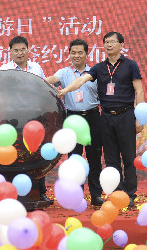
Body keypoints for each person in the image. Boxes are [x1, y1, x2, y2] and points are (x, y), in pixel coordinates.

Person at [58, 32, 144, 207]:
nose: (109, 45)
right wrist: (64, 91)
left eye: (113, 42)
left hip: (126, 115)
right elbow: (81, 80)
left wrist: (140, 118)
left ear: (121, 45)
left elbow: (139, 91)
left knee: (128, 157)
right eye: (106, 42)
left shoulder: (130, 65)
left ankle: (130, 194)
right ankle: (117, 194)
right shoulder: (99, 67)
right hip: (105, 117)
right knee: (111, 159)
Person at [45, 38, 105, 206]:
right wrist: (40, 80)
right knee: (74, 159)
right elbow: (52, 79)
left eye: (80, 52)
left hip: (93, 117)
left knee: (94, 157)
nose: (76, 56)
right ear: (69, 54)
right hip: (72, 118)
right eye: (73, 52)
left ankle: (96, 194)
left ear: (87, 54)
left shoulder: (94, 73)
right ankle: (77, 195)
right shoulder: (64, 72)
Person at [0, 36, 49, 202]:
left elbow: (43, 87)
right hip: (13, 116)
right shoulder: (5, 69)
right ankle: (12, 190)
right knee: (14, 151)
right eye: (16, 50)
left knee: (36, 152)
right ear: (10, 52)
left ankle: (39, 191)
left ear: (28, 50)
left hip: (34, 115)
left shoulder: (36, 67)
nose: (20, 53)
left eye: (22, 49)